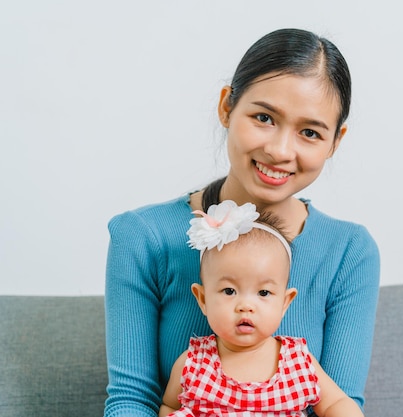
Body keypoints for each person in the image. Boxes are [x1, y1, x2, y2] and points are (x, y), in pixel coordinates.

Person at [105, 28, 380, 417]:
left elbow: (341, 403)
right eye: (264, 117)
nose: (281, 150)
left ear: (335, 142)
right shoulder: (142, 237)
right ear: (226, 108)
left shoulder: (350, 252)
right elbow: (131, 401)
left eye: (310, 132)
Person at [158, 200, 364, 417]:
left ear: (285, 303)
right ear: (203, 299)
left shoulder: (298, 361)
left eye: (263, 293)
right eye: (229, 291)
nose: (246, 306)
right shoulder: (193, 363)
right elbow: (170, 406)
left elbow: (336, 402)